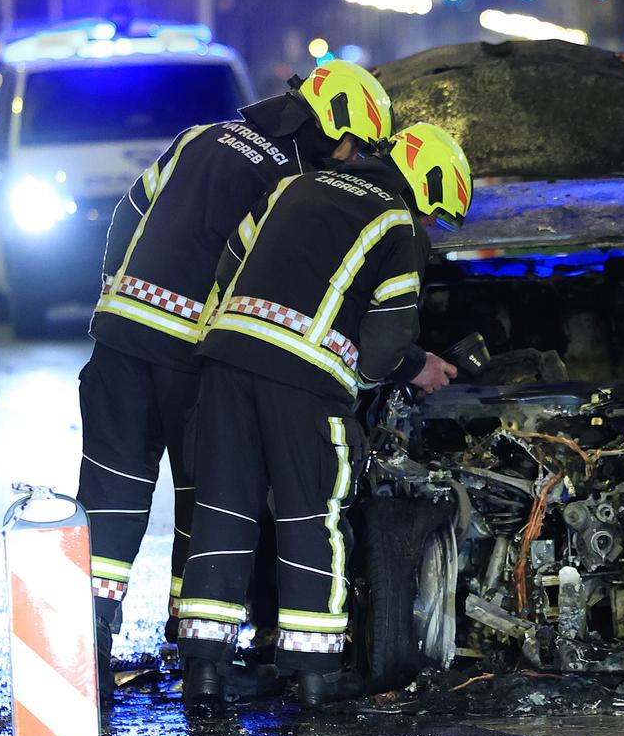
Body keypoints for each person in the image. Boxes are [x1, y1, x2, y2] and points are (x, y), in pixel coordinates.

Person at [76, 60, 394, 690]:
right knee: (212, 502)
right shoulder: (292, 181)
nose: (349, 157)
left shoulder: (198, 137)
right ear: (330, 126)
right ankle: (196, 649)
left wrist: (114, 296)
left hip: (117, 342)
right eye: (351, 143)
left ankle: (85, 654)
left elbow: (126, 215)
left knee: (109, 499)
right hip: (194, 360)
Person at [175, 122, 473, 710]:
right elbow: (385, 347)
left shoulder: (294, 185)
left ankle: (205, 676)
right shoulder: (396, 226)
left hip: (226, 362)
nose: (431, 228)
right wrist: (418, 369)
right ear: (428, 186)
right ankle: (314, 675)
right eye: (437, 215)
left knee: (223, 513)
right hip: (304, 383)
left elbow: (229, 258)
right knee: (312, 516)